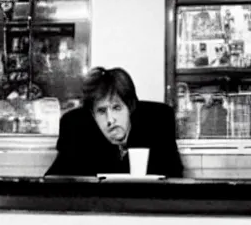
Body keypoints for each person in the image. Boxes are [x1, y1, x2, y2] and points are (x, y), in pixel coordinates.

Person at [45, 66, 183, 177]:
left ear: (130, 107)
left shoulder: (156, 125)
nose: (110, 120)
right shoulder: (77, 130)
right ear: (92, 115)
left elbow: (174, 180)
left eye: (117, 108)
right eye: (101, 111)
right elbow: (53, 185)